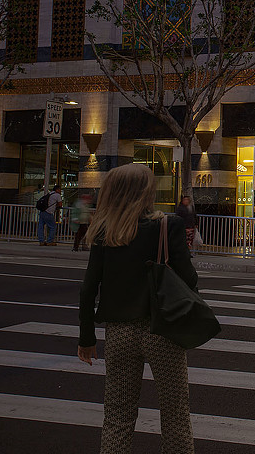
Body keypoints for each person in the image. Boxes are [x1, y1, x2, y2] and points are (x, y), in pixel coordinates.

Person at [77, 163, 198, 453]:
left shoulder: (105, 231)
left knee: (117, 416)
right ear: (146, 193)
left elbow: (88, 288)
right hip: (162, 332)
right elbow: (190, 280)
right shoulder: (167, 226)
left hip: (119, 333)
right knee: (175, 415)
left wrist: (86, 339)